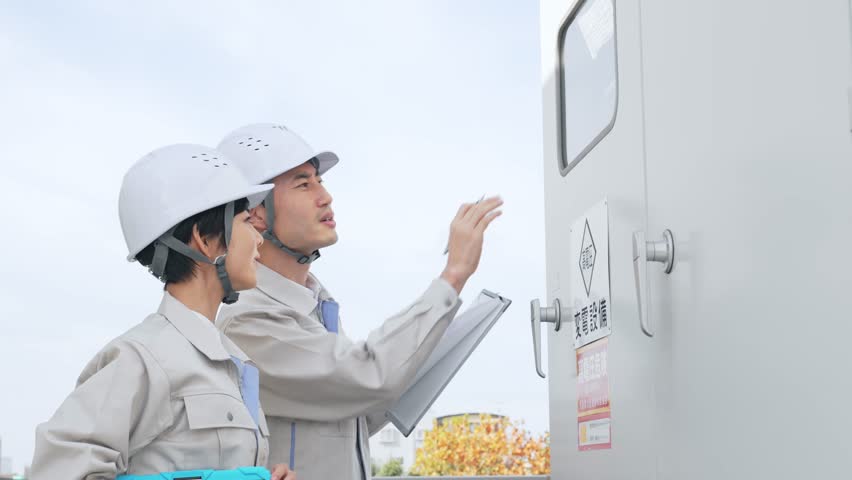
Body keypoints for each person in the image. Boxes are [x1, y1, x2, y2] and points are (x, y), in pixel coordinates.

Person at [216, 123, 502, 480]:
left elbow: (355, 413)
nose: (325, 196)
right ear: (255, 212)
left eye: (320, 181)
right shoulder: (247, 320)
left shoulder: (317, 305)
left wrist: (431, 352)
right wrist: (453, 276)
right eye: (304, 184)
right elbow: (365, 378)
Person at [31, 144, 294, 480]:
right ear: (204, 237)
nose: (259, 239)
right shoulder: (141, 358)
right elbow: (59, 472)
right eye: (246, 222)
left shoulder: (233, 363)